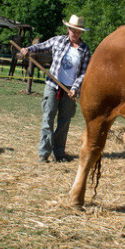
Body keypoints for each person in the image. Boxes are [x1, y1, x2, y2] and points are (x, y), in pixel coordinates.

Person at [20, 14, 92, 163]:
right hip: (53, 85)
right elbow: (41, 47)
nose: (75, 34)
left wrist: (75, 88)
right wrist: (28, 49)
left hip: (70, 91)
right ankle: (44, 153)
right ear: (68, 29)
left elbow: (83, 73)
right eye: (73, 30)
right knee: (48, 118)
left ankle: (58, 153)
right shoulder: (58, 40)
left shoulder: (85, 50)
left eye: (78, 31)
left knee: (64, 122)